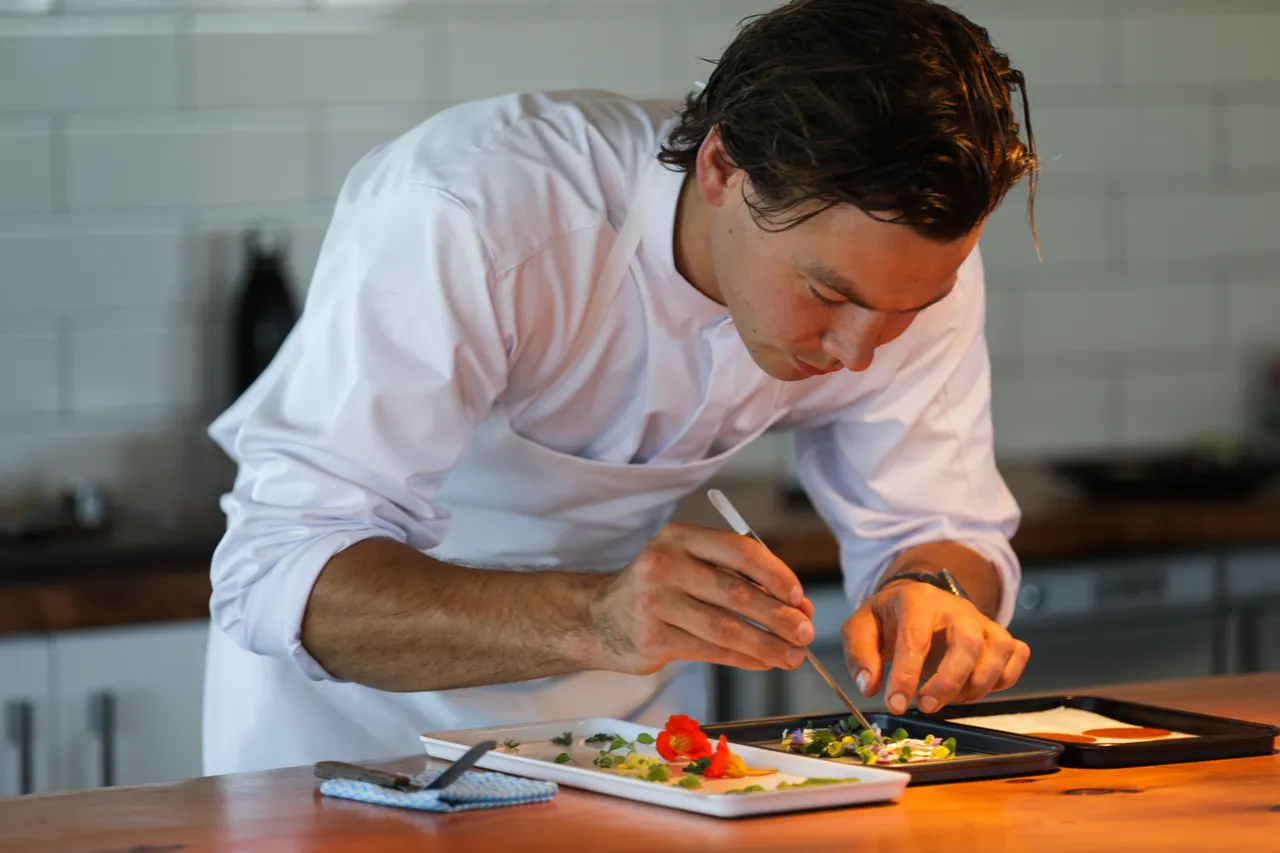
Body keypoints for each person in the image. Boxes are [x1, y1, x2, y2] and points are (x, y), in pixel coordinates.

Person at [203, 0, 1037, 774]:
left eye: (907, 308)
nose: (862, 351)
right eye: (827, 294)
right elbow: (279, 570)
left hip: (637, 747)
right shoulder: (471, 206)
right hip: (356, 742)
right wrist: (597, 617)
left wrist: (932, 592)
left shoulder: (908, 268)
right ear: (721, 169)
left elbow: (941, 522)